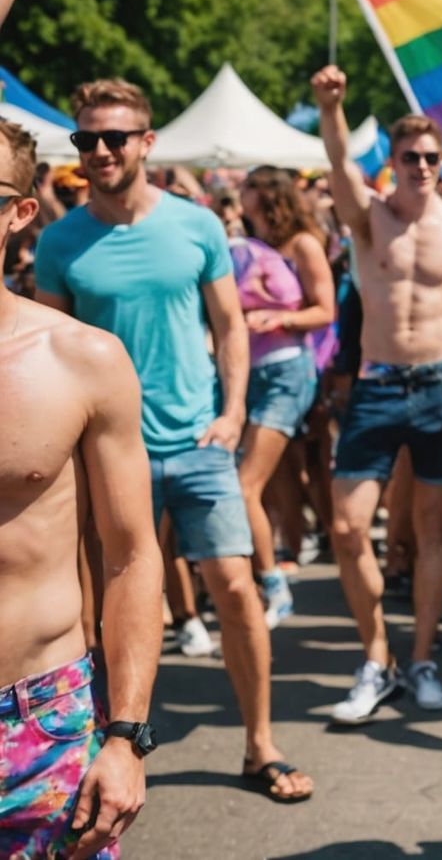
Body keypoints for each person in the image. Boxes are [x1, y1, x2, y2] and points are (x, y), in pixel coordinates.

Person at [35, 81, 314, 803]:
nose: (98, 151)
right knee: (100, 600)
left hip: (195, 439)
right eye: (85, 139)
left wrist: (234, 411)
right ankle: (102, 744)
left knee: (235, 588)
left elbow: (228, 326)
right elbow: (48, 347)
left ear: (147, 143)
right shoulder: (62, 240)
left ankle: (261, 744)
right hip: (103, 454)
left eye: (114, 137)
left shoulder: (195, 226)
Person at [310, 65, 442, 723]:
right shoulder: (369, 218)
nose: (421, 165)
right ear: (391, 161)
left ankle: (419, 659)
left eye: (431, 156)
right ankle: (376, 657)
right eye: (410, 156)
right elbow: (335, 157)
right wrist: (330, 106)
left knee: (427, 531)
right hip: (379, 384)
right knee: (347, 525)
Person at [0, 119, 163, 860]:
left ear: (19, 211)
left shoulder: (81, 359)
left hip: (40, 723)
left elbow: (131, 554)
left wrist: (126, 734)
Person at [234, 167, 337, 628]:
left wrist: (277, 319)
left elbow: (325, 310)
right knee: (274, 484)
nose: (243, 200)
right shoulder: (241, 245)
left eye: (252, 193)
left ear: (271, 198)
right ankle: (274, 564)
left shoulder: (303, 244)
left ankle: (273, 582)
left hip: (287, 371)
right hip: (245, 373)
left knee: (245, 486)